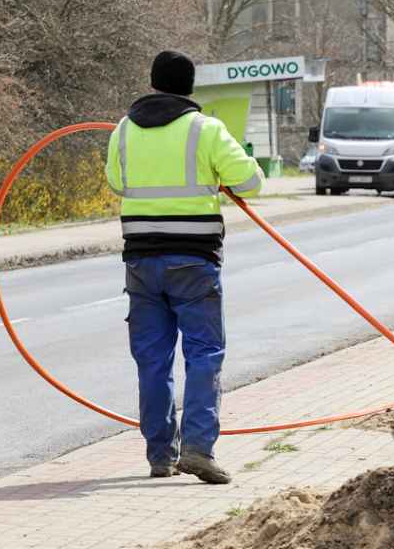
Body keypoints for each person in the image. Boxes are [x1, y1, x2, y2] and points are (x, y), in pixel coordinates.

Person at [105, 51, 264, 484]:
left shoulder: (122, 131)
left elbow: (117, 183)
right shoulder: (206, 130)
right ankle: (198, 449)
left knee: (152, 361)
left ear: (152, 82)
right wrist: (217, 175)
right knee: (203, 354)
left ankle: (160, 456)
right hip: (194, 263)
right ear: (191, 87)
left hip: (140, 262)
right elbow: (251, 180)